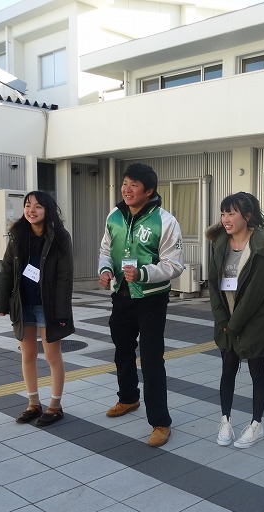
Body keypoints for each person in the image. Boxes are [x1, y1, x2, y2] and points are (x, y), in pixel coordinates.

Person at [98, 163, 184, 447]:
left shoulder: (165, 221)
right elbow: (106, 249)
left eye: (134, 185)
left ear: (149, 191)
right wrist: (105, 270)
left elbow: (175, 265)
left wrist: (144, 273)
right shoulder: (114, 215)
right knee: (122, 351)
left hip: (151, 300)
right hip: (121, 295)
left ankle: (161, 421)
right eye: (125, 183)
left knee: (151, 359)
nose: (127, 189)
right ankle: (128, 398)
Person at [207, 192, 264, 448]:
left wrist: (234, 325)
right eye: (223, 213)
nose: (225, 219)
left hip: (254, 321)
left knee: (256, 372)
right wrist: (222, 319)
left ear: (247, 216)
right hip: (226, 320)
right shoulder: (219, 242)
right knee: (227, 370)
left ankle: (256, 425)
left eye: (231, 213)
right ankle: (225, 421)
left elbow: (255, 293)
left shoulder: (263, 246)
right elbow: (213, 283)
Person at [0, 191, 75, 426]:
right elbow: (7, 269)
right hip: (23, 304)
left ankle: (55, 406)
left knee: (52, 356)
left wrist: (61, 312)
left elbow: (65, 277)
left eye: (38, 206)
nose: (31, 210)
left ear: (47, 210)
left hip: (47, 306)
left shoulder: (60, 237)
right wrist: (2, 303)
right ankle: (33, 404)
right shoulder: (18, 235)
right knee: (27, 355)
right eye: (28, 205)